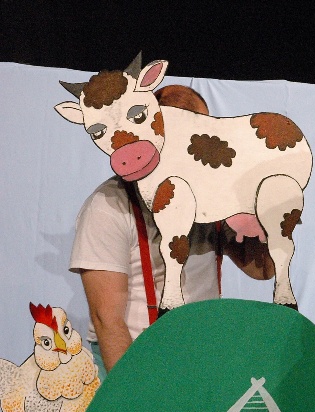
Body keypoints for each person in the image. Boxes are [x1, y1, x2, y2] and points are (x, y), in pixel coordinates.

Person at [70, 85, 273, 380]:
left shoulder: (210, 197)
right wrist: (133, 394)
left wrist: (258, 214)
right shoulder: (108, 206)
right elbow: (107, 321)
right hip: (133, 358)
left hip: (200, 359)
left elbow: (262, 269)